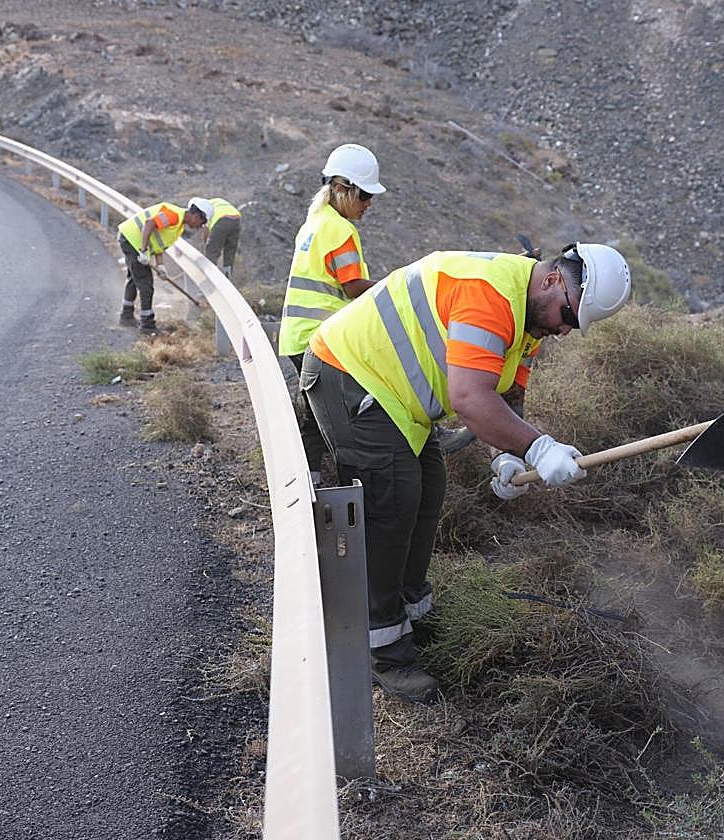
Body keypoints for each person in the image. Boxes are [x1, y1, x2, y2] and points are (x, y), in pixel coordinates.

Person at [301, 244, 632, 702]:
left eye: (573, 325)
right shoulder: (491, 294)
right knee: (393, 500)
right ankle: (384, 653)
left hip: (396, 397)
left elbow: (507, 394)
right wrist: (538, 447)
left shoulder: (529, 316)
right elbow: (471, 398)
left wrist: (507, 455)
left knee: (428, 487)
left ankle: (412, 615)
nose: (563, 330)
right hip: (348, 371)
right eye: (568, 316)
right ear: (556, 279)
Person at [278, 143, 386, 485]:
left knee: (312, 416)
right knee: (348, 421)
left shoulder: (314, 223)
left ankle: (310, 485)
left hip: (297, 337)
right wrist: (393, 287)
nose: (369, 204)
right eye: (365, 195)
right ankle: (352, 495)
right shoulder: (341, 230)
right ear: (342, 189)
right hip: (323, 341)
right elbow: (352, 286)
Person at [116, 197, 213, 333]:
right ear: (196, 215)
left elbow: (157, 243)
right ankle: (147, 325)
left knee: (135, 278)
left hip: (131, 239)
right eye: (201, 223)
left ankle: (126, 316)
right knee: (146, 284)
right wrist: (143, 251)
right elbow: (149, 224)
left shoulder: (178, 226)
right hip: (132, 240)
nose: (199, 227)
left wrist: (161, 266)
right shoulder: (174, 216)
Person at [202, 197, 241, 278]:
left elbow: (205, 229)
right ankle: (227, 277)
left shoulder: (204, 209)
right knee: (229, 253)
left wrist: (206, 243)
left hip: (222, 219)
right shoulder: (216, 201)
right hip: (236, 218)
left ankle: (210, 278)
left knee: (211, 252)